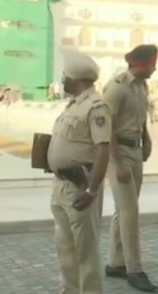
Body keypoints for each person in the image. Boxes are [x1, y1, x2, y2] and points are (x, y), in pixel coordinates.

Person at [48, 50, 111, 294]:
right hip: (61, 185)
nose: (62, 79)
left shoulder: (96, 107)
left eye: (65, 75)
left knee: (85, 250)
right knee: (65, 247)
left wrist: (92, 190)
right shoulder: (73, 105)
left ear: (76, 78)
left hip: (80, 186)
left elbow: (103, 151)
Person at [102, 44, 158, 293]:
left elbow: (141, 117)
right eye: (152, 64)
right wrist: (119, 163)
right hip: (120, 153)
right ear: (140, 64)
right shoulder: (116, 88)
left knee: (123, 210)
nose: (155, 68)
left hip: (134, 150)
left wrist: (146, 139)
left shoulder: (141, 86)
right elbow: (107, 128)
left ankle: (115, 262)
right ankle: (134, 270)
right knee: (130, 212)